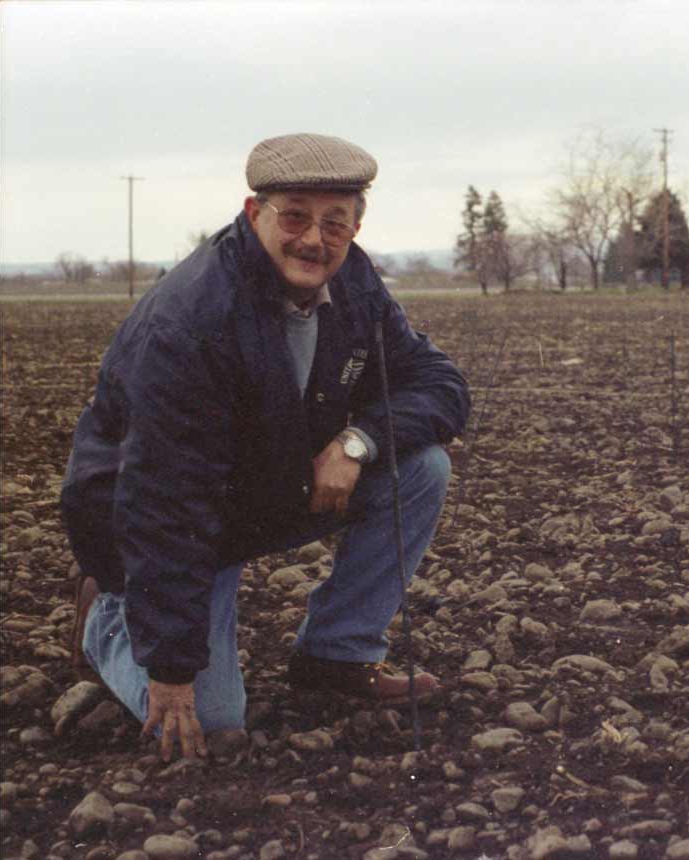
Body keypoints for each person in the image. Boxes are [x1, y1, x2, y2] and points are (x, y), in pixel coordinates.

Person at [61, 133, 470, 761]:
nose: (315, 239)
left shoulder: (355, 283)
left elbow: (437, 382)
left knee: (421, 468)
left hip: (261, 488)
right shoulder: (191, 322)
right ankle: (106, 620)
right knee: (214, 723)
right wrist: (169, 669)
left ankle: (337, 654)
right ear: (256, 214)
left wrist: (355, 443)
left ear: (356, 227)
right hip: (148, 518)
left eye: (335, 222)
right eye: (295, 216)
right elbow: (164, 501)